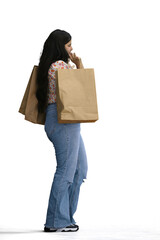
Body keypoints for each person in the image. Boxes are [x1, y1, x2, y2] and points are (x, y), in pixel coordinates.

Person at [36, 29, 88, 232]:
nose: (72, 48)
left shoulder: (55, 65)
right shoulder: (59, 65)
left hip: (64, 121)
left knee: (79, 170)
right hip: (63, 121)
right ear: (60, 47)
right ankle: (56, 221)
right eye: (68, 45)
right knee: (66, 171)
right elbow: (81, 86)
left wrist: (77, 64)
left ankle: (65, 217)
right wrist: (78, 65)